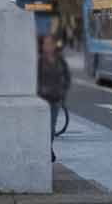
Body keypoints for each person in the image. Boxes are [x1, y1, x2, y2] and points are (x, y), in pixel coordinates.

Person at [37, 34, 71, 163]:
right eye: (46, 44)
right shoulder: (40, 61)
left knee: (51, 127)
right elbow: (35, 79)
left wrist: (63, 92)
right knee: (43, 127)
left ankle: (48, 147)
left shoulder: (59, 60)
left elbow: (67, 77)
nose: (48, 46)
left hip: (55, 99)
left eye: (50, 44)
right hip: (43, 99)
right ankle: (46, 149)